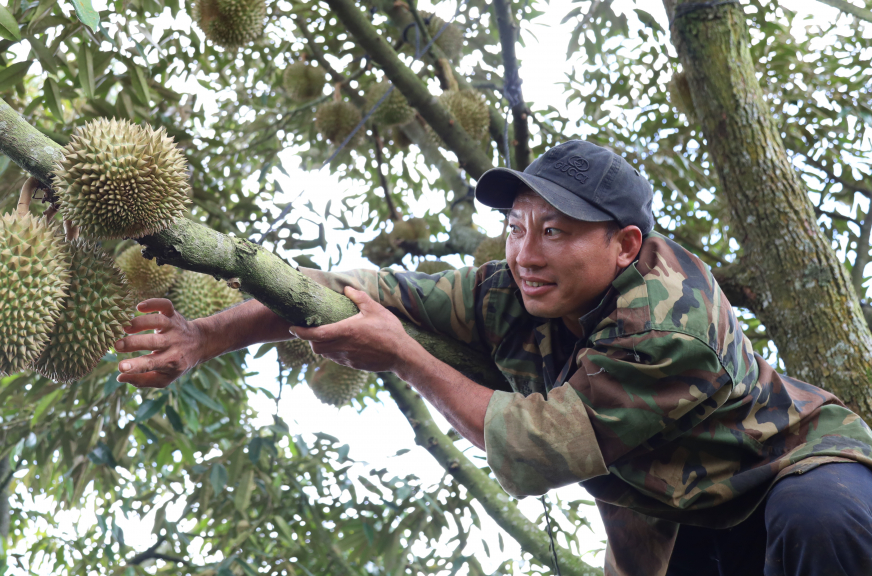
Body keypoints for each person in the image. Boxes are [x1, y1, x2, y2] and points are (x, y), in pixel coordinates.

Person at [114, 140, 872, 576]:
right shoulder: (509, 289)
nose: (525, 252)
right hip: (687, 516)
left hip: (791, 472)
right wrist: (207, 336)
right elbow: (348, 289)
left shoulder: (668, 320)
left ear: (625, 246)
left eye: (555, 232)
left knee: (821, 523)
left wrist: (403, 355)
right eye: (517, 225)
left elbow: (536, 449)